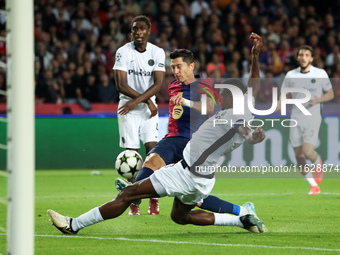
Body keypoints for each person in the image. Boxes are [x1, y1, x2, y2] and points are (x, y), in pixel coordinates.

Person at [47, 33, 268, 235]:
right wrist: (255, 56)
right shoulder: (242, 106)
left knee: (127, 195)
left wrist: (252, 137)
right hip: (202, 177)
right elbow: (254, 84)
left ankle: (73, 225)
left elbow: (244, 131)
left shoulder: (235, 117)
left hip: (187, 173)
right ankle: (242, 219)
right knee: (179, 216)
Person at [116, 48, 215, 215]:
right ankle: (134, 193)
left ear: (192, 66)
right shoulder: (172, 86)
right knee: (151, 161)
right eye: (173, 67)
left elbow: (209, 108)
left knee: (194, 199)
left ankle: (240, 213)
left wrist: (186, 102)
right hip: (173, 139)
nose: (175, 71)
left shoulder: (204, 85)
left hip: (195, 144)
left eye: (179, 67)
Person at [112, 15, 166, 214]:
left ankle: (153, 196)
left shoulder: (157, 52)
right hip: (128, 108)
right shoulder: (123, 52)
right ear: (132, 32)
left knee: (153, 153)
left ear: (149, 32)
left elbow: (159, 84)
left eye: (142, 29)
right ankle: (134, 200)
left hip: (147, 109)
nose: (138, 32)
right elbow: (121, 84)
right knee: (131, 156)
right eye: (135, 29)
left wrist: (142, 101)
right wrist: (143, 101)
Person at [277, 45, 334, 195]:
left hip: (312, 118)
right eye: (301, 55)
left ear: (312, 58)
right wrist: (278, 104)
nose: (303, 57)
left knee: (308, 151)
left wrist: (318, 100)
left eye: (307, 55)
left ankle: (317, 162)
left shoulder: (320, 73)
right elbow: (284, 95)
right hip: (296, 118)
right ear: (297, 57)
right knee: (298, 156)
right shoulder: (290, 75)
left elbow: (330, 94)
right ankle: (313, 185)